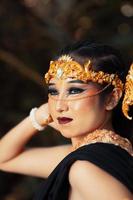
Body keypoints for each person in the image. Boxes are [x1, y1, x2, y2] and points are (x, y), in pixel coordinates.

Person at [0, 41, 133, 200]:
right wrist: (39, 116)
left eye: (74, 90)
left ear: (112, 98)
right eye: (53, 91)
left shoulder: (85, 168)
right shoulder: (95, 157)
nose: (59, 106)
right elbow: (4, 158)